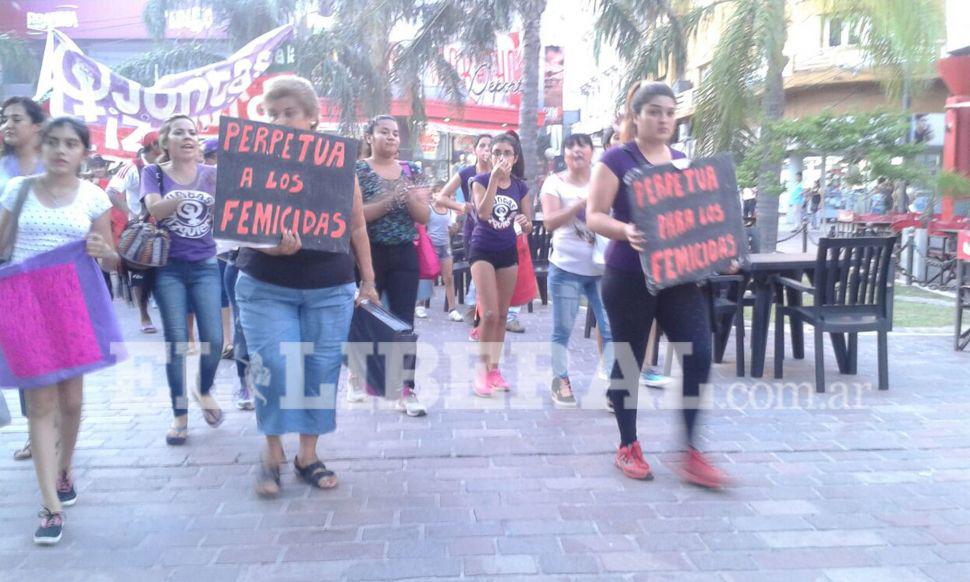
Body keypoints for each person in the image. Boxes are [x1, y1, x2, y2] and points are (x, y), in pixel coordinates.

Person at [232, 76, 379, 497]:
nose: (279, 121)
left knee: (319, 371)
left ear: (312, 117)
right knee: (275, 368)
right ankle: (272, 451)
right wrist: (270, 248)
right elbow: (236, 223)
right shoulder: (251, 160)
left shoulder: (337, 163)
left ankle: (307, 455)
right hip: (265, 284)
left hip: (329, 287)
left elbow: (356, 225)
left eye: (289, 113)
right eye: (272, 114)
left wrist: (369, 280)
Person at [587, 81, 726, 488]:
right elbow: (594, 215)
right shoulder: (616, 159)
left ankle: (691, 451)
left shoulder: (682, 161)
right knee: (629, 360)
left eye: (669, 112)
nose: (664, 119)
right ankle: (627, 445)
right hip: (629, 275)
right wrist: (624, 230)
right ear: (636, 116)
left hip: (678, 275)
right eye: (654, 112)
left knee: (699, 354)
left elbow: (696, 219)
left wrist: (721, 249)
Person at [0, 116, 120, 544]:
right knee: (40, 404)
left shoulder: (93, 196)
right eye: (52, 142)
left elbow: (112, 260)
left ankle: (65, 467)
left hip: (73, 302)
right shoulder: (18, 190)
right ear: (42, 146)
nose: (60, 150)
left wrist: (102, 249)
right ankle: (50, 505)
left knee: (71, 400)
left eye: (70, 143)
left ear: (83, 152)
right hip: (24, 303)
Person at [141, 114, 224, 446]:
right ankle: (179, 415)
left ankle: (202, 389)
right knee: (176, 343)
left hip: (206, 264)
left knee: (215, 339)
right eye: (179, 132)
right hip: (169, 268)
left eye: (192, 132)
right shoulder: (154, 173)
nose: (188, 137)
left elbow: (232, 208)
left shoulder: (212, 174)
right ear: (166, 141)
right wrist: (176, 199)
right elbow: (155, 210)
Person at [355, 115, 430, 417]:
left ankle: (406, 389)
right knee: (364, 319)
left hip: (404, 253)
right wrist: (390, 200)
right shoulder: (358, 170)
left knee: (404, 323)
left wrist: (407, 196)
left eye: (395, 134)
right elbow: (356, 216)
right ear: (369, 137)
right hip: (368, 253)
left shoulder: (413, 171)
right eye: (384, 132)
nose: (391, 138)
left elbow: (424, 216)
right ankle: (359, 375)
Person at [539, 133, 613, 407]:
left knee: (611, 328)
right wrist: (580, 205)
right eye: (570, 146)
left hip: (602, 269)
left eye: (583, 146)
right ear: (565, 154)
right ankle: (560, 380)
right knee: (563, 329)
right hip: (566, 269)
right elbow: (549, 222)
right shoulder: (554, 183)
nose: (577, 150)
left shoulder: (604, 179)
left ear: (592, 152)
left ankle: (615, 386)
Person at [468, 132, 533, 397]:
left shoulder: (520, 187)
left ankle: (495, 369)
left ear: (515, 158)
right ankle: (481, 371)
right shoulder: (480, 181)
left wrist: (526, 223)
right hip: (482, 249)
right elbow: (483, 213)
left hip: (508, 251)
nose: (501, 158)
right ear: (489, 155)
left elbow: (527, 222)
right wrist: (494, 179)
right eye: (497, 153)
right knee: (490, 314)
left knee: (503, 315)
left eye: (507, 153)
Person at [1, 96, 46, 463]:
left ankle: (58, 420)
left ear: (36, 126)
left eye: (16, 118)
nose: (8, 125)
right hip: (10, 272)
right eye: (5, 119)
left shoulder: (55, 162)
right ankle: (37, 431)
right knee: (25, 354)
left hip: (54, 274)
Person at [107, 131, 162, 334]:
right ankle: (144, 315)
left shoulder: (168, 165)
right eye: (163, 142)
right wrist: (131, 213)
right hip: (142, 230)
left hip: (164, 228)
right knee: (140, 273)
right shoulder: (132, 167)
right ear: (154, 145)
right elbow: (112, 191)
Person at [435, 133, 491, 330]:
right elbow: (441, 197)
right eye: (482, 145)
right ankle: (476, 313)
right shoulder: (467, 172)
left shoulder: (500, 173)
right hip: (474, 232)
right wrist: (461, 206)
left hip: (498, 232)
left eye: (490, 146)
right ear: (475, 150)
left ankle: (485, 314)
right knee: (479, 274)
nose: (486, 149)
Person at [418, 180, 463, 322]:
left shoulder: (450, 212)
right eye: (438, 192)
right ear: (433, 194)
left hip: (445, 246)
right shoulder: (428, 209)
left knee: (448, 278)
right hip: (431, 247)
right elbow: (422, 227)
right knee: (427, 277)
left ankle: (452, 309)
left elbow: (451, 230)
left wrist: (454, 230)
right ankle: (420, 305)